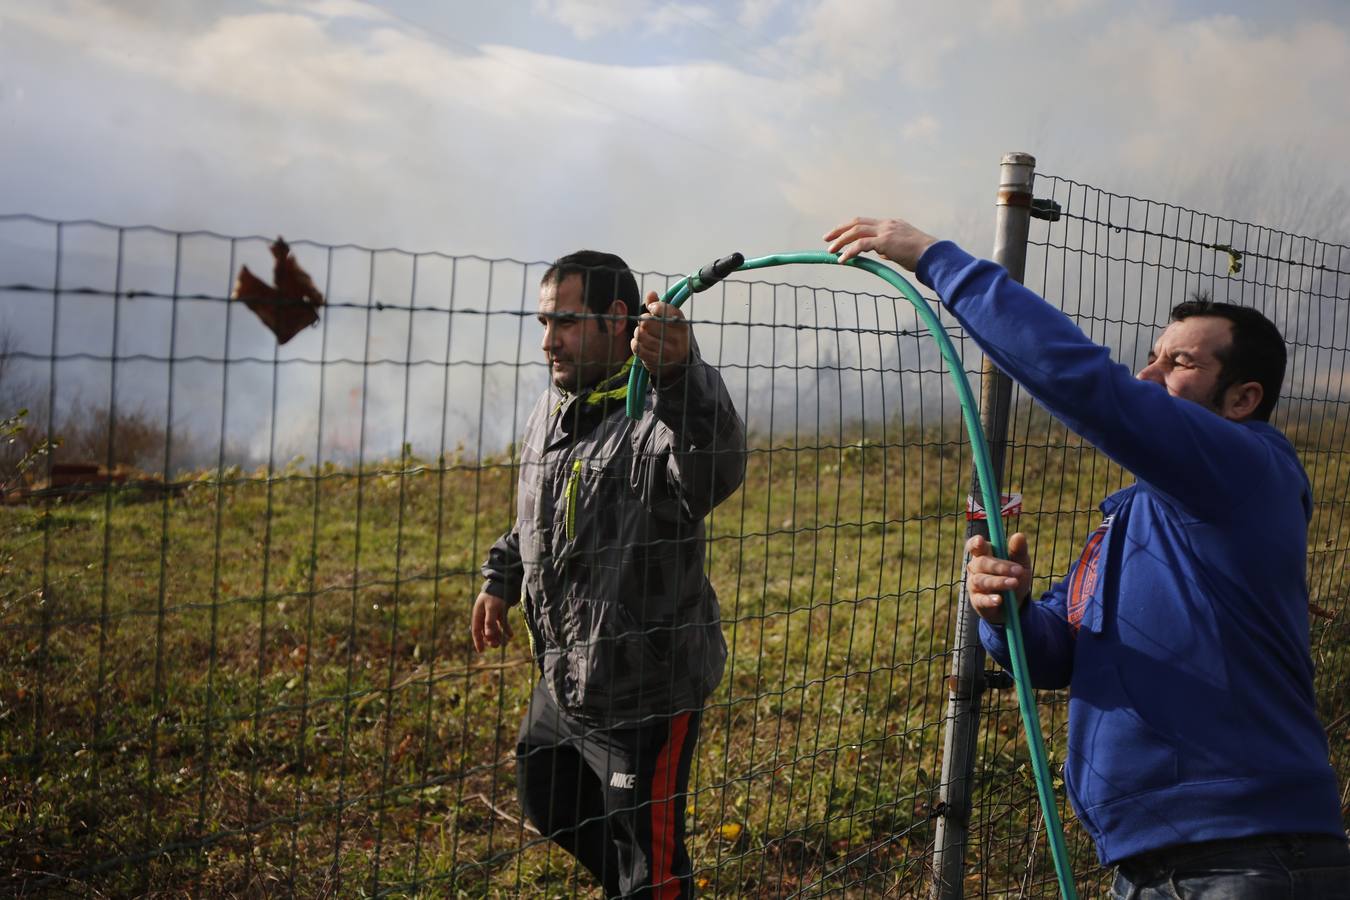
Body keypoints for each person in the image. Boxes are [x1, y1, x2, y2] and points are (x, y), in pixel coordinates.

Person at [824, 217, 1350, 898]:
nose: (1147, 373)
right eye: (1154, 357)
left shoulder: (1247, 470)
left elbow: (1091, 386)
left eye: (1180, 363)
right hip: (1154, 863)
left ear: (1243, 399)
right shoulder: (1132, 515)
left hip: (1243, 858)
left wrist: (936, 260)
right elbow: (1054, 651)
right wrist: (1005, 609)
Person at [472, 250, 745, 898]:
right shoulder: (555, 408)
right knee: (546, 799)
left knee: (651, 858)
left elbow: (715, 467)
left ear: (616, 318)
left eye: (563, 322)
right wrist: (501, 576)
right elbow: (539, 514)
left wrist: (681, 374)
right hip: (565, 678)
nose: (547, 342)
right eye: (543, 323)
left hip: (645, 693)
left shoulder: (658, 416)